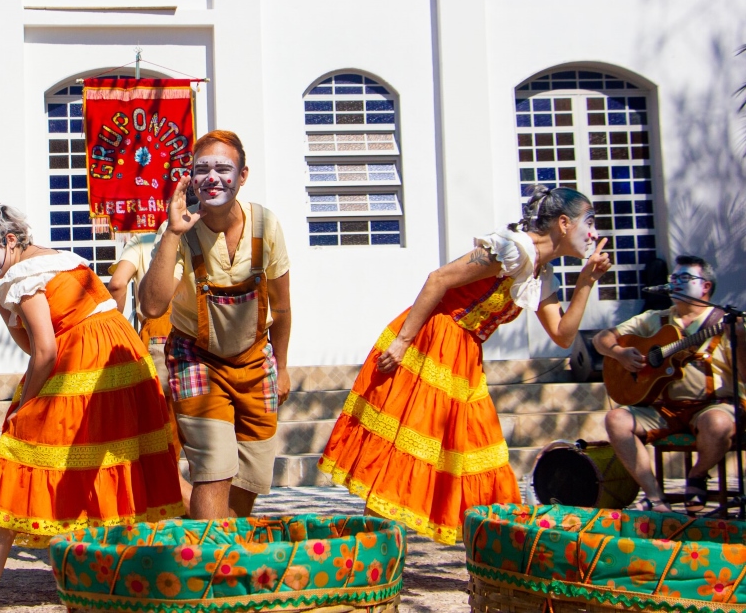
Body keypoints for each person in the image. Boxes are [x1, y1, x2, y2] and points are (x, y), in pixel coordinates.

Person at [320, 185, 611, 545]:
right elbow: (438, 279)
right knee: (405, 448)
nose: (596, 233)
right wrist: (403, 341)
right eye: (590, 222)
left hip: (465, 357)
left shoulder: (540, 273)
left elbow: (564, 336)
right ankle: (375, 550)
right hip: (431, 342)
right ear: (564, 224)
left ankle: (497, 551)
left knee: (482, 452)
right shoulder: (514, 249)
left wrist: (585, 283)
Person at [0, 204, 183, 613]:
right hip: (122, 363)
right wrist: (4, 311)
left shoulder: (22, 274)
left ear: (10, 241)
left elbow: (44, 352)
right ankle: (196, 550)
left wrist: (27, 405)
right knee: (125, 463)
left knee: (13, 457)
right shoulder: (59, 259)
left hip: (83, 370)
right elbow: (46, 340)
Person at [139, 129, 292, 520]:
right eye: (202, 169)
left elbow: (283, 307)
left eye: (224, 168)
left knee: (249, 478)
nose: (213, 177)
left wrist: (284, 366)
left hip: (255, 361)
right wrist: (173, 232)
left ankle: (218, 550)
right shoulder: (180, 229)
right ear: (190, 177)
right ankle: (212, 570)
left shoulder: (266, 225)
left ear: (242, 176)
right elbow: (152, 307)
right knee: (214, 472)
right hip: (197, 359)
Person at [597, 255, 746, 513]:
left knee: (718, 423)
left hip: (714, 407)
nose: (675, 283)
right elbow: (602, 338)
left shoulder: (727, 322)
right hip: (664, 409)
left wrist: (741, 340)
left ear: (706, 287)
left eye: (685, 278)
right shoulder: (654, 318)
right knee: (616, 419)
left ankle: (697, 475)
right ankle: (655, 498)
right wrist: (618, 353)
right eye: (673, 278)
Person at [107, 232, 193, 510]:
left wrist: (115, 327)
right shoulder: (203, 236)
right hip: (197, 332)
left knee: (160, 426)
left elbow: (118, 283)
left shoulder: (142, 243)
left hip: (157, 334)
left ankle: (171, 499)